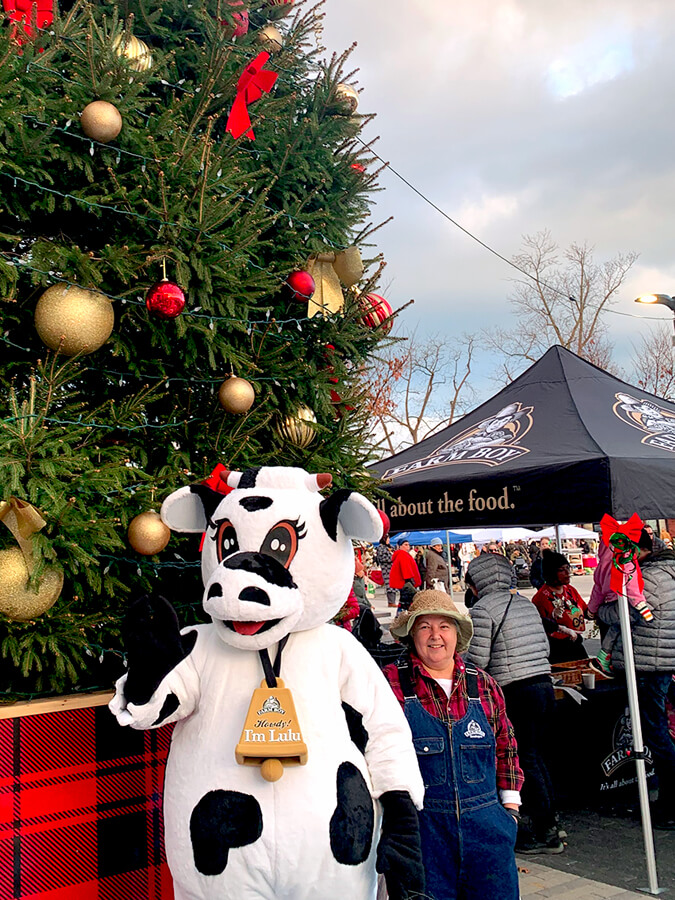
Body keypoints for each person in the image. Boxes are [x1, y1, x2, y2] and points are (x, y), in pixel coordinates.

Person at [384, 590, 523, 900]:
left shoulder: (483, 683)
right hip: (424, 837)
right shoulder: (389, 682)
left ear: (457, 634)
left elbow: (506, 747)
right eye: (425, 626)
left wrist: (510, 812)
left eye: (444, 626)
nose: (435, 636)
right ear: (412, 634)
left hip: (488, 834)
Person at [463, 554, 563, 854]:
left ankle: (544, 832)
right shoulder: (524, 603)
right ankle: (551, 821)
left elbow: (477, 661)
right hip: (544, 685)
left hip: (516, 691)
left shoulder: (482, 610)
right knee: (536, 756)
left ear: (478, 582)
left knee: (524, 760)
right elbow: (544, 646)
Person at [595, 529, 675, 829]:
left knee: (656, 733)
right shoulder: (670, 570)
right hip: (664, 660)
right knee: (661, 730)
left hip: (648, 662)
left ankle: (670, 803)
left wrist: (601, 610)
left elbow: (629, 612)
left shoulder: (650, 577)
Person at [588, 539, 653, 678]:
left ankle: (605, 655)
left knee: (617, 626)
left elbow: (597, 591)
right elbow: (632, 587)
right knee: (624, 620)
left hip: (607, 607)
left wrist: (592, 611)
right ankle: (604, 655)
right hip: (620, 605)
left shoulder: (601, 567)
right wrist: (640, 605)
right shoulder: (625, 563)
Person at [532, 549, 588, 663]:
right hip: (557, 649)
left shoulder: (571, 590)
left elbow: (585, 610)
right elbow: (541, 625)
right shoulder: (540, 598)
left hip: (576, 644)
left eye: (568, 568)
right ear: (551, 573)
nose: (568, 573)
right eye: (562, 570)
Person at [389, 539, 421, 612]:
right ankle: (401, 616)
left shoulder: (401, 555)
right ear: (400, 546)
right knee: (407, 601)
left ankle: (400, 616)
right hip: (406, 582)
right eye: (405, 545)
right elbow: (406, 569)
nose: (408, 547)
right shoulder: (402, 555)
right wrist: (411, 580)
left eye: (408, 545)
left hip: (403, 582)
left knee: (404, 601)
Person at [375, 534, 397, 607]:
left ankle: (393, 601)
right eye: (387, 539)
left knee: (394, 585)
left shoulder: (391, 547)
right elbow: (382, 558)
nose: (388, 540)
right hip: (386, 569)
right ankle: (391, 602)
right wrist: (392, 558)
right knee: (389, 585)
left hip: (393, 568)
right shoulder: (380, 548)